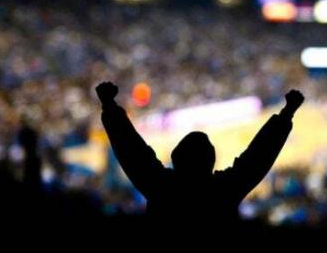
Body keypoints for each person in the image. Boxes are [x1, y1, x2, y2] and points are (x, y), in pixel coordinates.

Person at [96, 81, 304, 227]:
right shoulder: (224, 190)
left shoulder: (161, 186)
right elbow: (257, 157)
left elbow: (132, 151)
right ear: (212, 160)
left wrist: (109, 106)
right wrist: (287, 113)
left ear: (176, 159)